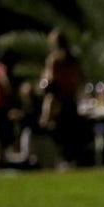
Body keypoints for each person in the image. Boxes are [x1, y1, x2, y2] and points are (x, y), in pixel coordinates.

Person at [38, 28, 86, 166]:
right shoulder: (73, 59)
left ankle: (62, 160)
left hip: (58, 101)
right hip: (71, 99)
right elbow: (79, 79)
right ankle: (72, 160)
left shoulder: (54, 59)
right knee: (72, 133)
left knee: (59, 133)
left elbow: (50, 79)